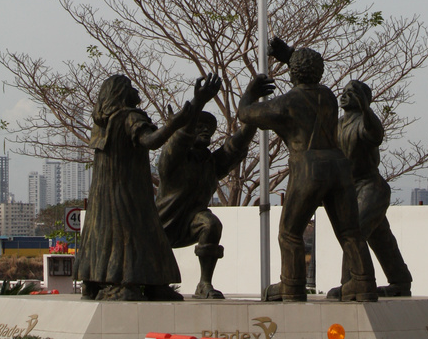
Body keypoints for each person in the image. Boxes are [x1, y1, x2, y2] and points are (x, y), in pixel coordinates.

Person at [238, 38, 377, 303]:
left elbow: (245, 114)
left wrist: (251, 91)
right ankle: (363, 282)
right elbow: (307, 71)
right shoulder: (328, 96)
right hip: (338, 165)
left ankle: (292, 285)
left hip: (308, 167)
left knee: (290, 232)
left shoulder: (286, 103)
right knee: (350, 231)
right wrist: (290, 56)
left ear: (292, 74)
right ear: (319, 72)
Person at [75, 72, 219, 301]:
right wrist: (173, 124)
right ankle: (126, 284)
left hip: (104, 191)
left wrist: (186, 113)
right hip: (129, 191)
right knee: (136, 233)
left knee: (103, 233)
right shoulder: (130, 117)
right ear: (121, 93)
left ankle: (97, 282)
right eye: (131, 87)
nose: (136, 91)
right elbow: (151, 141)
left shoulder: (101, 123)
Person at [156, 74, 274, 299]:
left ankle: (204, 284)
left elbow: (237, 144)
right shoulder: (173, 160)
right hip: (160, 224)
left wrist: (253, 105)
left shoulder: (211, 162)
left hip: (190, 221)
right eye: (198, 125)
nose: (204, 131)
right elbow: (179, 139)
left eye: (209, 128)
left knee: (211, 224)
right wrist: (198, 102)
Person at [327, 79, 412, 299]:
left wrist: (367, 109)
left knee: (354, 234)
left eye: (351, 92)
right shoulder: (336, 125)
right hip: (348, 190)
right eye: (344, 91)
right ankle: (400, 280)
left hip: (371, 188)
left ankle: (352, 282)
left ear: (363, 100)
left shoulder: (364, 123)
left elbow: (376, 135)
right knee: (380, 237)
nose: (344, 95)